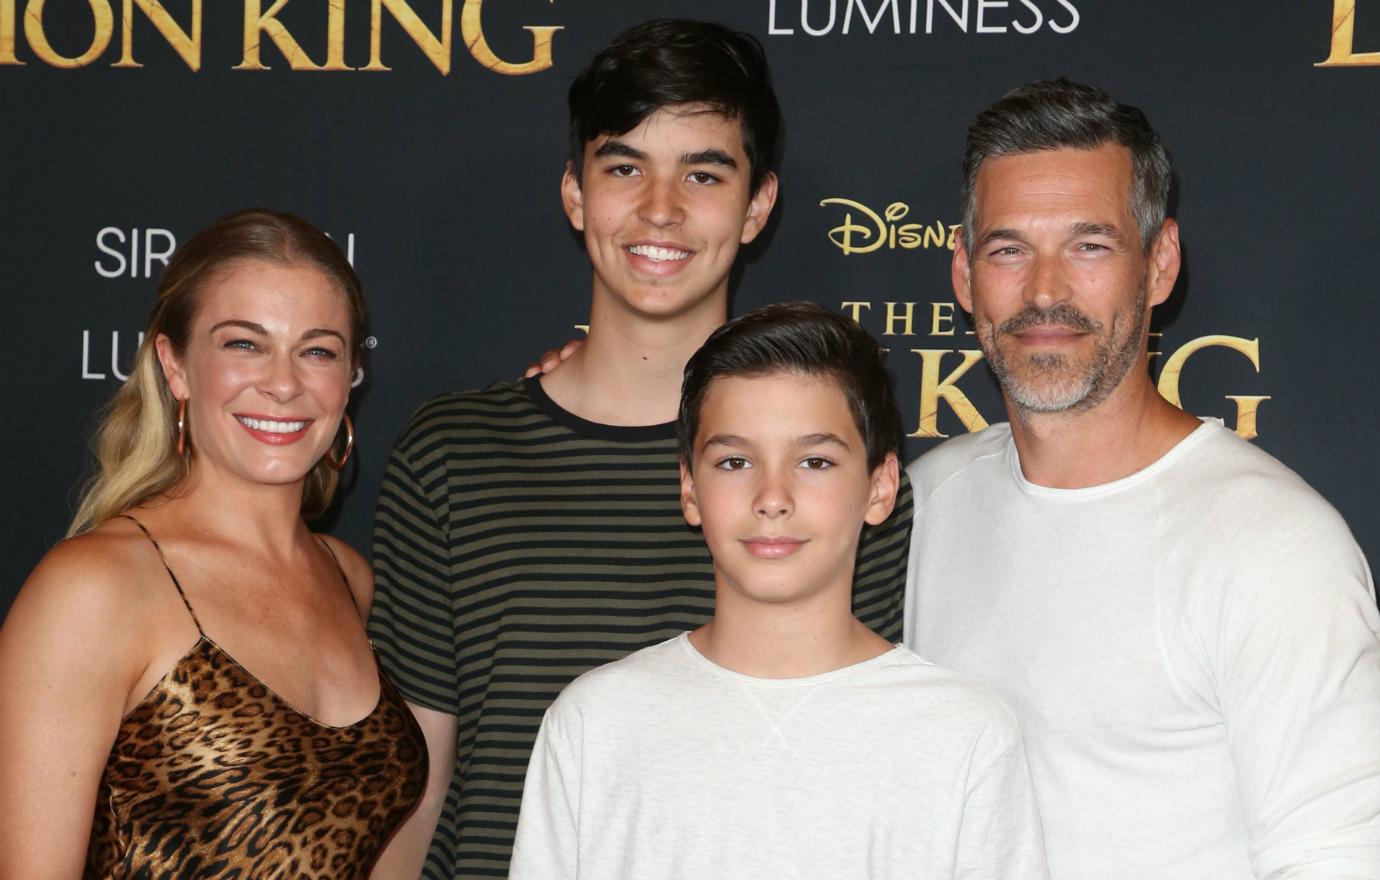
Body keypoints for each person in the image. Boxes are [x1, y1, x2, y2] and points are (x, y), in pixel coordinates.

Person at [368, 20, 914, 878]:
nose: (660, 209)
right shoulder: (452, 456)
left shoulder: (828, 479)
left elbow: (854, 750)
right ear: (577, 193)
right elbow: (414, 789)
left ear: (759, 204)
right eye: (625, 168)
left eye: (703, 173)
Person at [905, 78, 1380, 879]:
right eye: (1009, 249)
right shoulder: (922, 504)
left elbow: (1336, 857)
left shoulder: (1271, 543)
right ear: (963, 274)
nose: (1045, 290)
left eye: (1090, 246)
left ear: (1159, 265)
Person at [508, 301, 1045, 880]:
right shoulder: (595, 723)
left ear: (880, 485)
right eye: (735, 461)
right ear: (690, 488)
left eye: (814, 461)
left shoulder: (964, 733)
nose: (772, 496)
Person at [0, 209, 427, 878]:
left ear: (349, 377)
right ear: (175, 366)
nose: (284, 384)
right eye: (243, 344)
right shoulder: (93, 589)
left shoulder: (348, 577)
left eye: (318, 350)